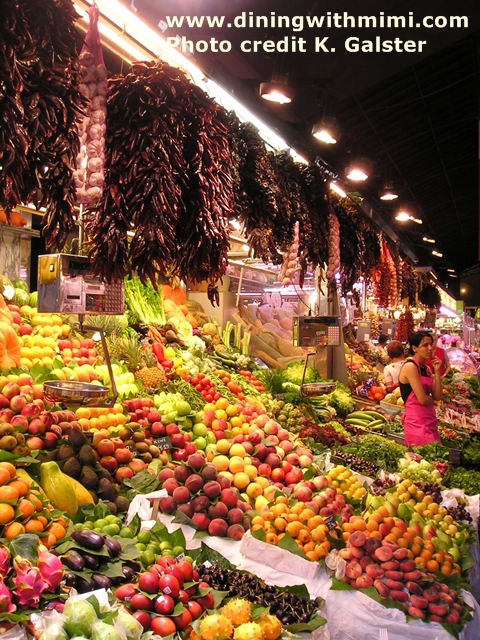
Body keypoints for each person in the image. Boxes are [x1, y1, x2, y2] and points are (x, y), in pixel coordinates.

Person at [398, 332, 443, 446]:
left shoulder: (427, 369)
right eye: (425, 345)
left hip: (430, 422)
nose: (430, 348)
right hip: (416, 425)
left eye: (431, 344)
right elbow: (422, 400)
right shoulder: (410, 366)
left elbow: (438, 396)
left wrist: (437, 371)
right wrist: (431, 399)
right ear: (415, 348)